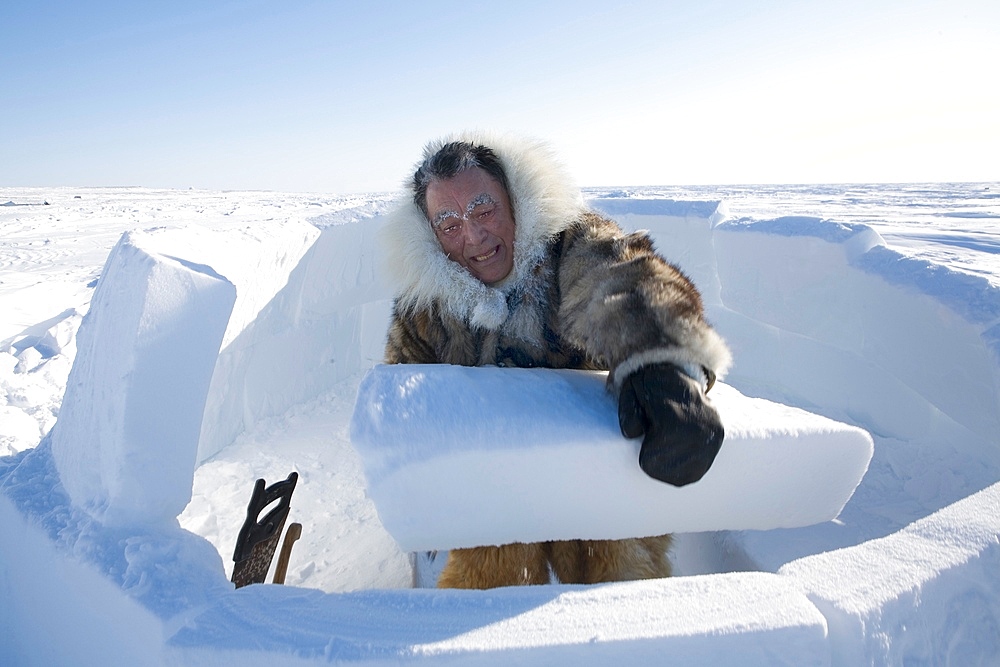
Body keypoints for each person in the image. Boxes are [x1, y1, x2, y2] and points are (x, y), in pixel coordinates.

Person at [381, 131, 731, 589]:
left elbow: (621, 278)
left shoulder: (570, 242)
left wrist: (664, 364)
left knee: (616, 562)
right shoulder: (424, 308)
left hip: (594, 476)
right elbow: (402, 398)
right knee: (491, 564)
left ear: (515, 200)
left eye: (483, 209)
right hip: (492, 485)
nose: (473, 235)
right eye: (448, 222)